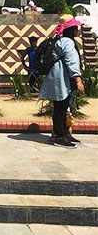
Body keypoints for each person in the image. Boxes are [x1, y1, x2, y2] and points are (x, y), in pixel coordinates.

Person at [39, 14, 84, 148]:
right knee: (61, 107)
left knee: (62, 107)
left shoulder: (60, 40)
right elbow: (71, 61)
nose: (77, 30)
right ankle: (59, 136)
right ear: (71, 29)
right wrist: (78, 80)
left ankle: (62, 133)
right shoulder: (67, 42)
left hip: (58, 77)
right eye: (75, 27)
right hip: (62, 79)